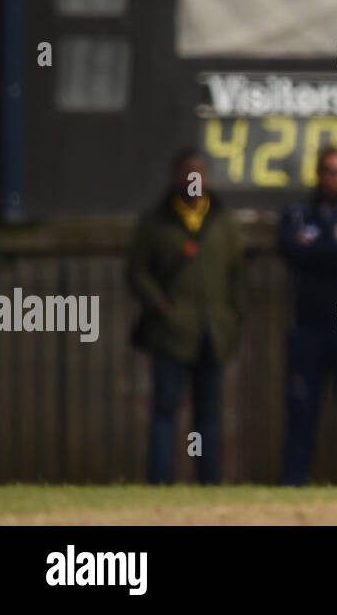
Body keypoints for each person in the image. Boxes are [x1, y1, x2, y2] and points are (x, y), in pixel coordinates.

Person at [127, 148, 245, 485]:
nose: (194, 181)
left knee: (208, 414)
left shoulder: (224, 222)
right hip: (171, 333)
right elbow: (137, 273)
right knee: (165, 411)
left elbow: (238, 273)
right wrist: (162, 307)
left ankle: (209, 483)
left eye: (200, 174)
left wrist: (232, 315)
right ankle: (160, 483)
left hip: (213, 333)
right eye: (187, 174)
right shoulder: (156, 223)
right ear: (176, 177)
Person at [277, 146, 337, 486]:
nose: (334, 178)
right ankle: (292, 484)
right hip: (307, 327)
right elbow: (291, 252)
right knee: (302, 410)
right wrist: (335, 251)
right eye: (328, 171)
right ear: (317, 172)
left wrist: (317, 251)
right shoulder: (296, 215)